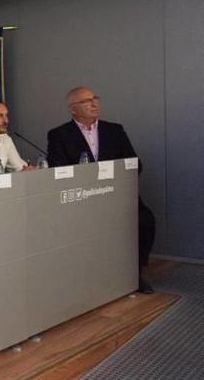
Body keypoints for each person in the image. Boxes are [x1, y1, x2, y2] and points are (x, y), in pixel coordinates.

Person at [46, 86, 156, 293]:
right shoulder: (59, 134)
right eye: (86, 101)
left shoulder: (114, 130)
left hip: (116, 195)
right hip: (83, 197)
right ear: (73, 109)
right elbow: (58, 170)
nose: (94, 103)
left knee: (145, 220)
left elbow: (135, 163)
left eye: (95, 98)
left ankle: (134, 273)